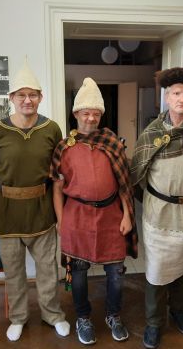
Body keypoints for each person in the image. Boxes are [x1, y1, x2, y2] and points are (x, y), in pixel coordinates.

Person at [130, 67, 183, 349]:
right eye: (176, 93)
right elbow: (137, 173)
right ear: (166, 97)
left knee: (182, 265)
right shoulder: (152, 133)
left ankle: (178, 312)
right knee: (156, 268)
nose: (182, 98)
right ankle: (155, 323)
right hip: (158, 212)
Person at [0, 59, 70, 341]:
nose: (27, 100)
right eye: (21, 95)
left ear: (40, 97)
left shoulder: (51, 128)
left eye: (32, 94)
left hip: (41, 208)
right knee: (14, 271)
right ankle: (18, 317)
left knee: (48, 269)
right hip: (8, 210)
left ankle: (53, 314)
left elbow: (58, 168)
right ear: (11, 99)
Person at [51, 77, 137, 346]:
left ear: (101, 115)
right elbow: (56, 188)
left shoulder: (113, 142)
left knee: (116, 273)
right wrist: (61, 220)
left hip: (111, 214)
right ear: (76, 114)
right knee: (78, 272)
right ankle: (83, 317)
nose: (90, 118)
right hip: (76, 216)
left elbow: (125, 183)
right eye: (85, 113)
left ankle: (113, 314)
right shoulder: (64, 147)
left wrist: (127, 215)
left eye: (95, 113)